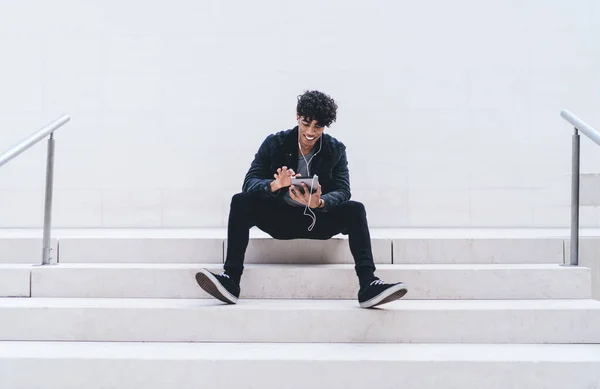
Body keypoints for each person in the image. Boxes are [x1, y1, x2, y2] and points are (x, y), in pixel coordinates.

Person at [195, 90, 407, 308]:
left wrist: (320, 202)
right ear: (298, 117)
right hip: (280, 219)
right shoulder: (274, 143)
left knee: (355, 209)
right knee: (240, 201)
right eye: (306, 123)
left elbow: (343, 190)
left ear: (325, 126)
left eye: (318, 127)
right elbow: (250, 182)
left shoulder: (335, 149)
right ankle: (230, 280)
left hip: (316, 221)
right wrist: (276, 185)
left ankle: (368, 284)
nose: (310, 132)